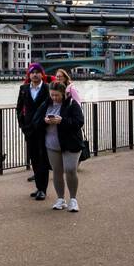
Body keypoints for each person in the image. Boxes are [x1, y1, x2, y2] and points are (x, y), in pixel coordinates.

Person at [45, 81, 85, 211]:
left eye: (57, 95)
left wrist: (61, 121)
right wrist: (44, 120)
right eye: (52, 95)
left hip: (70, 143)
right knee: (57, 172)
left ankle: (73, 199)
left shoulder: (72, 104)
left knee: (70, 170)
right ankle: (60, 199)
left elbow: (79, 122)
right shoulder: (47, 104)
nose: (54, 98)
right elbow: (37, 119)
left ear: (63, 94)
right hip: (52, 143)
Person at [17, 63, 52, 197]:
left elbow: (51, 107)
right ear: (29, 75)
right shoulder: (23, 88)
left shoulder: (47, 88)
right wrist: (22, 125)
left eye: (37, 72)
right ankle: (38, 187)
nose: (35, 74)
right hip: (29, 129)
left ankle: (43, 189)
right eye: (32, 72)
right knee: (34, 159)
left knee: (43, 159)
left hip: (43, 128)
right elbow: (19, 108)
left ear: (42, 74)